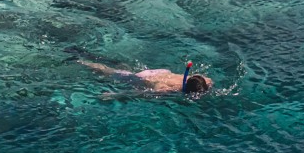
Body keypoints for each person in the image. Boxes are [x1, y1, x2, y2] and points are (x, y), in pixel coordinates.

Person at [77, 58, 212, 95]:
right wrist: (114, 95)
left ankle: (120, 64)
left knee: (121, 70)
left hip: (162, 72)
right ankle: (81, 61)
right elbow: (140, 93)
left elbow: (209, 82)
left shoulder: (204, 79)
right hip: (143, 78)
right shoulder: (168, 89)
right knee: (109, 72)